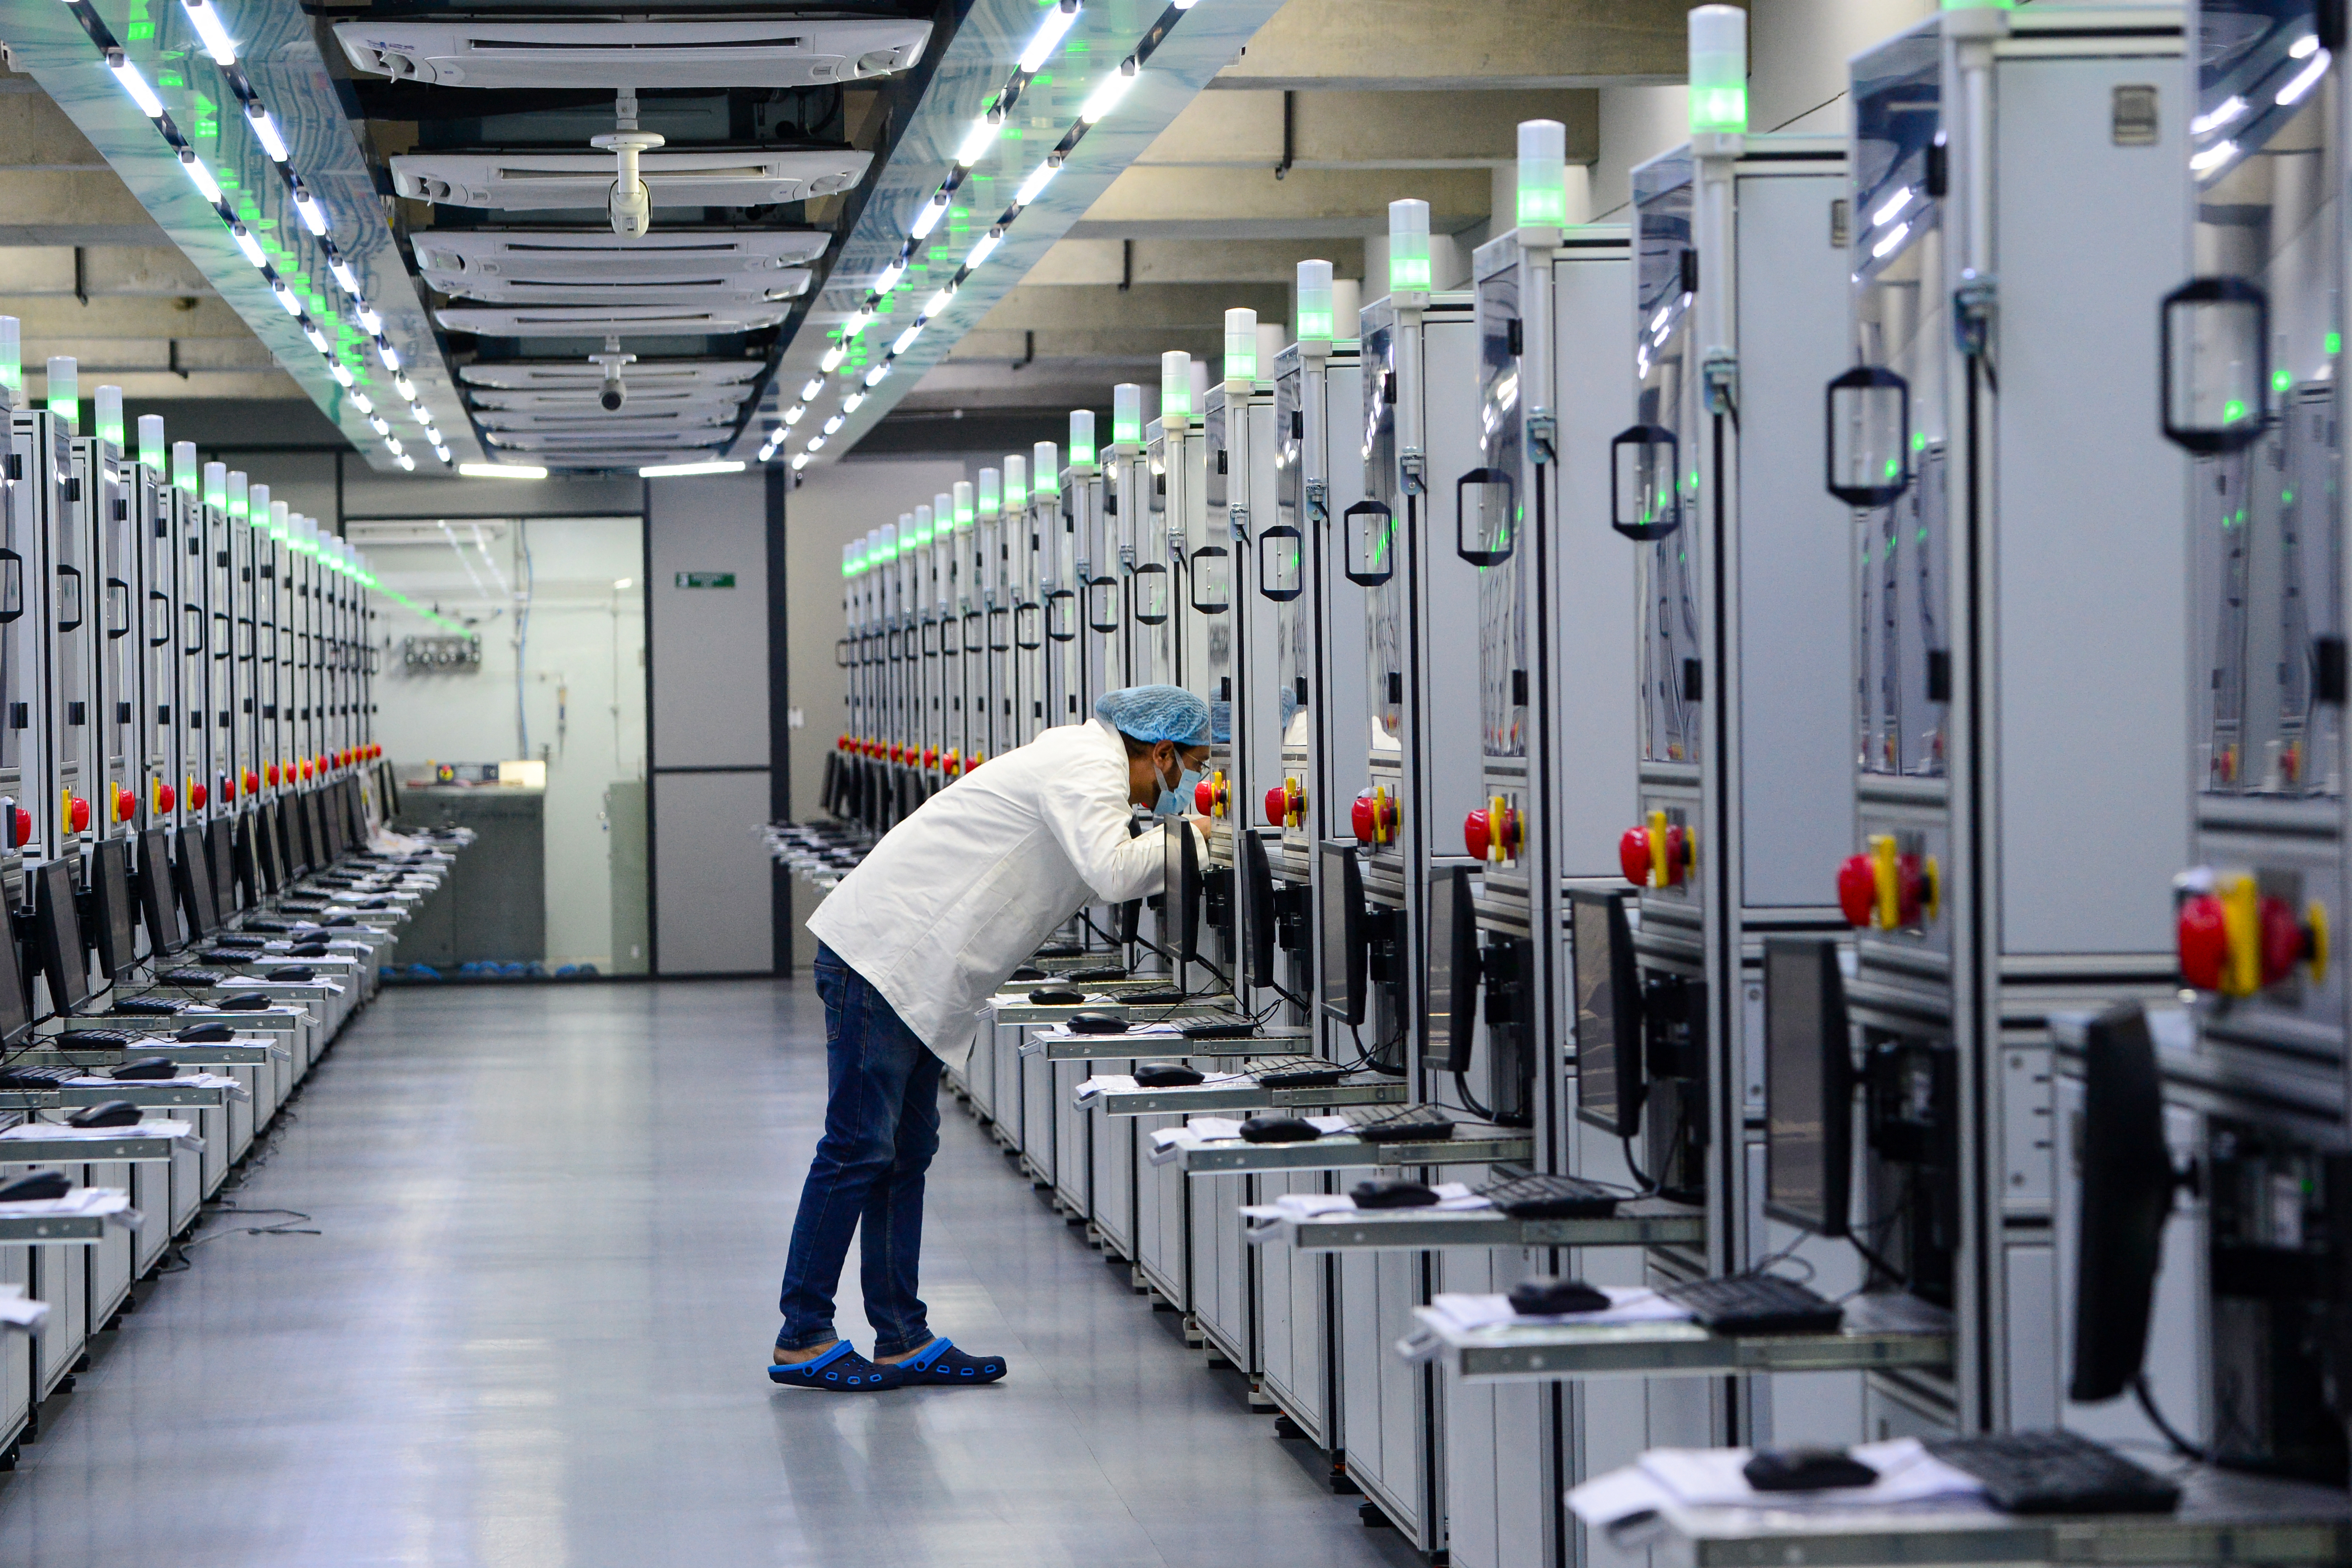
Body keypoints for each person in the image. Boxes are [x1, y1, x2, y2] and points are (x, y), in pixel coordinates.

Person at [770, 685, 1214, 1392]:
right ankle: (803, 1334)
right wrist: (1195, 837)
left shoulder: (1086, 767)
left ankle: (901, 1337)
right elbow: (1112, 871)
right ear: (1161, 753)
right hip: (882, 959)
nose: (1192, 784)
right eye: (1193, 767)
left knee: (903, 1154)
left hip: (915, 971)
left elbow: (1098, 868)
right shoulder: (1087, 764)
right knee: (858, 1147)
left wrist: (1176, 837)